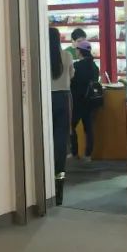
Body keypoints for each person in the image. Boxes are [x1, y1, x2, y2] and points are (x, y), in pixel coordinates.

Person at [49, 26, 74, 204]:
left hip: (46, 98)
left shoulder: (42, 56)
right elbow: (71, 75)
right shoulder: (67, 55)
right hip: (64, 98)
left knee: (45, 137)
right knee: (61, 139)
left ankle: (46, 177)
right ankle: (59, 184)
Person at [70, 40, 101, 162]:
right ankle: (88, 154)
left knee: (71, 126)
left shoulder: (77, 66)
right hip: (90, 101)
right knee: (88, 129)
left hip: (77, 101)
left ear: (80, 51)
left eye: (77, 49)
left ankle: (74, 153)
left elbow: (71, 81)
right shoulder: (95, 67)